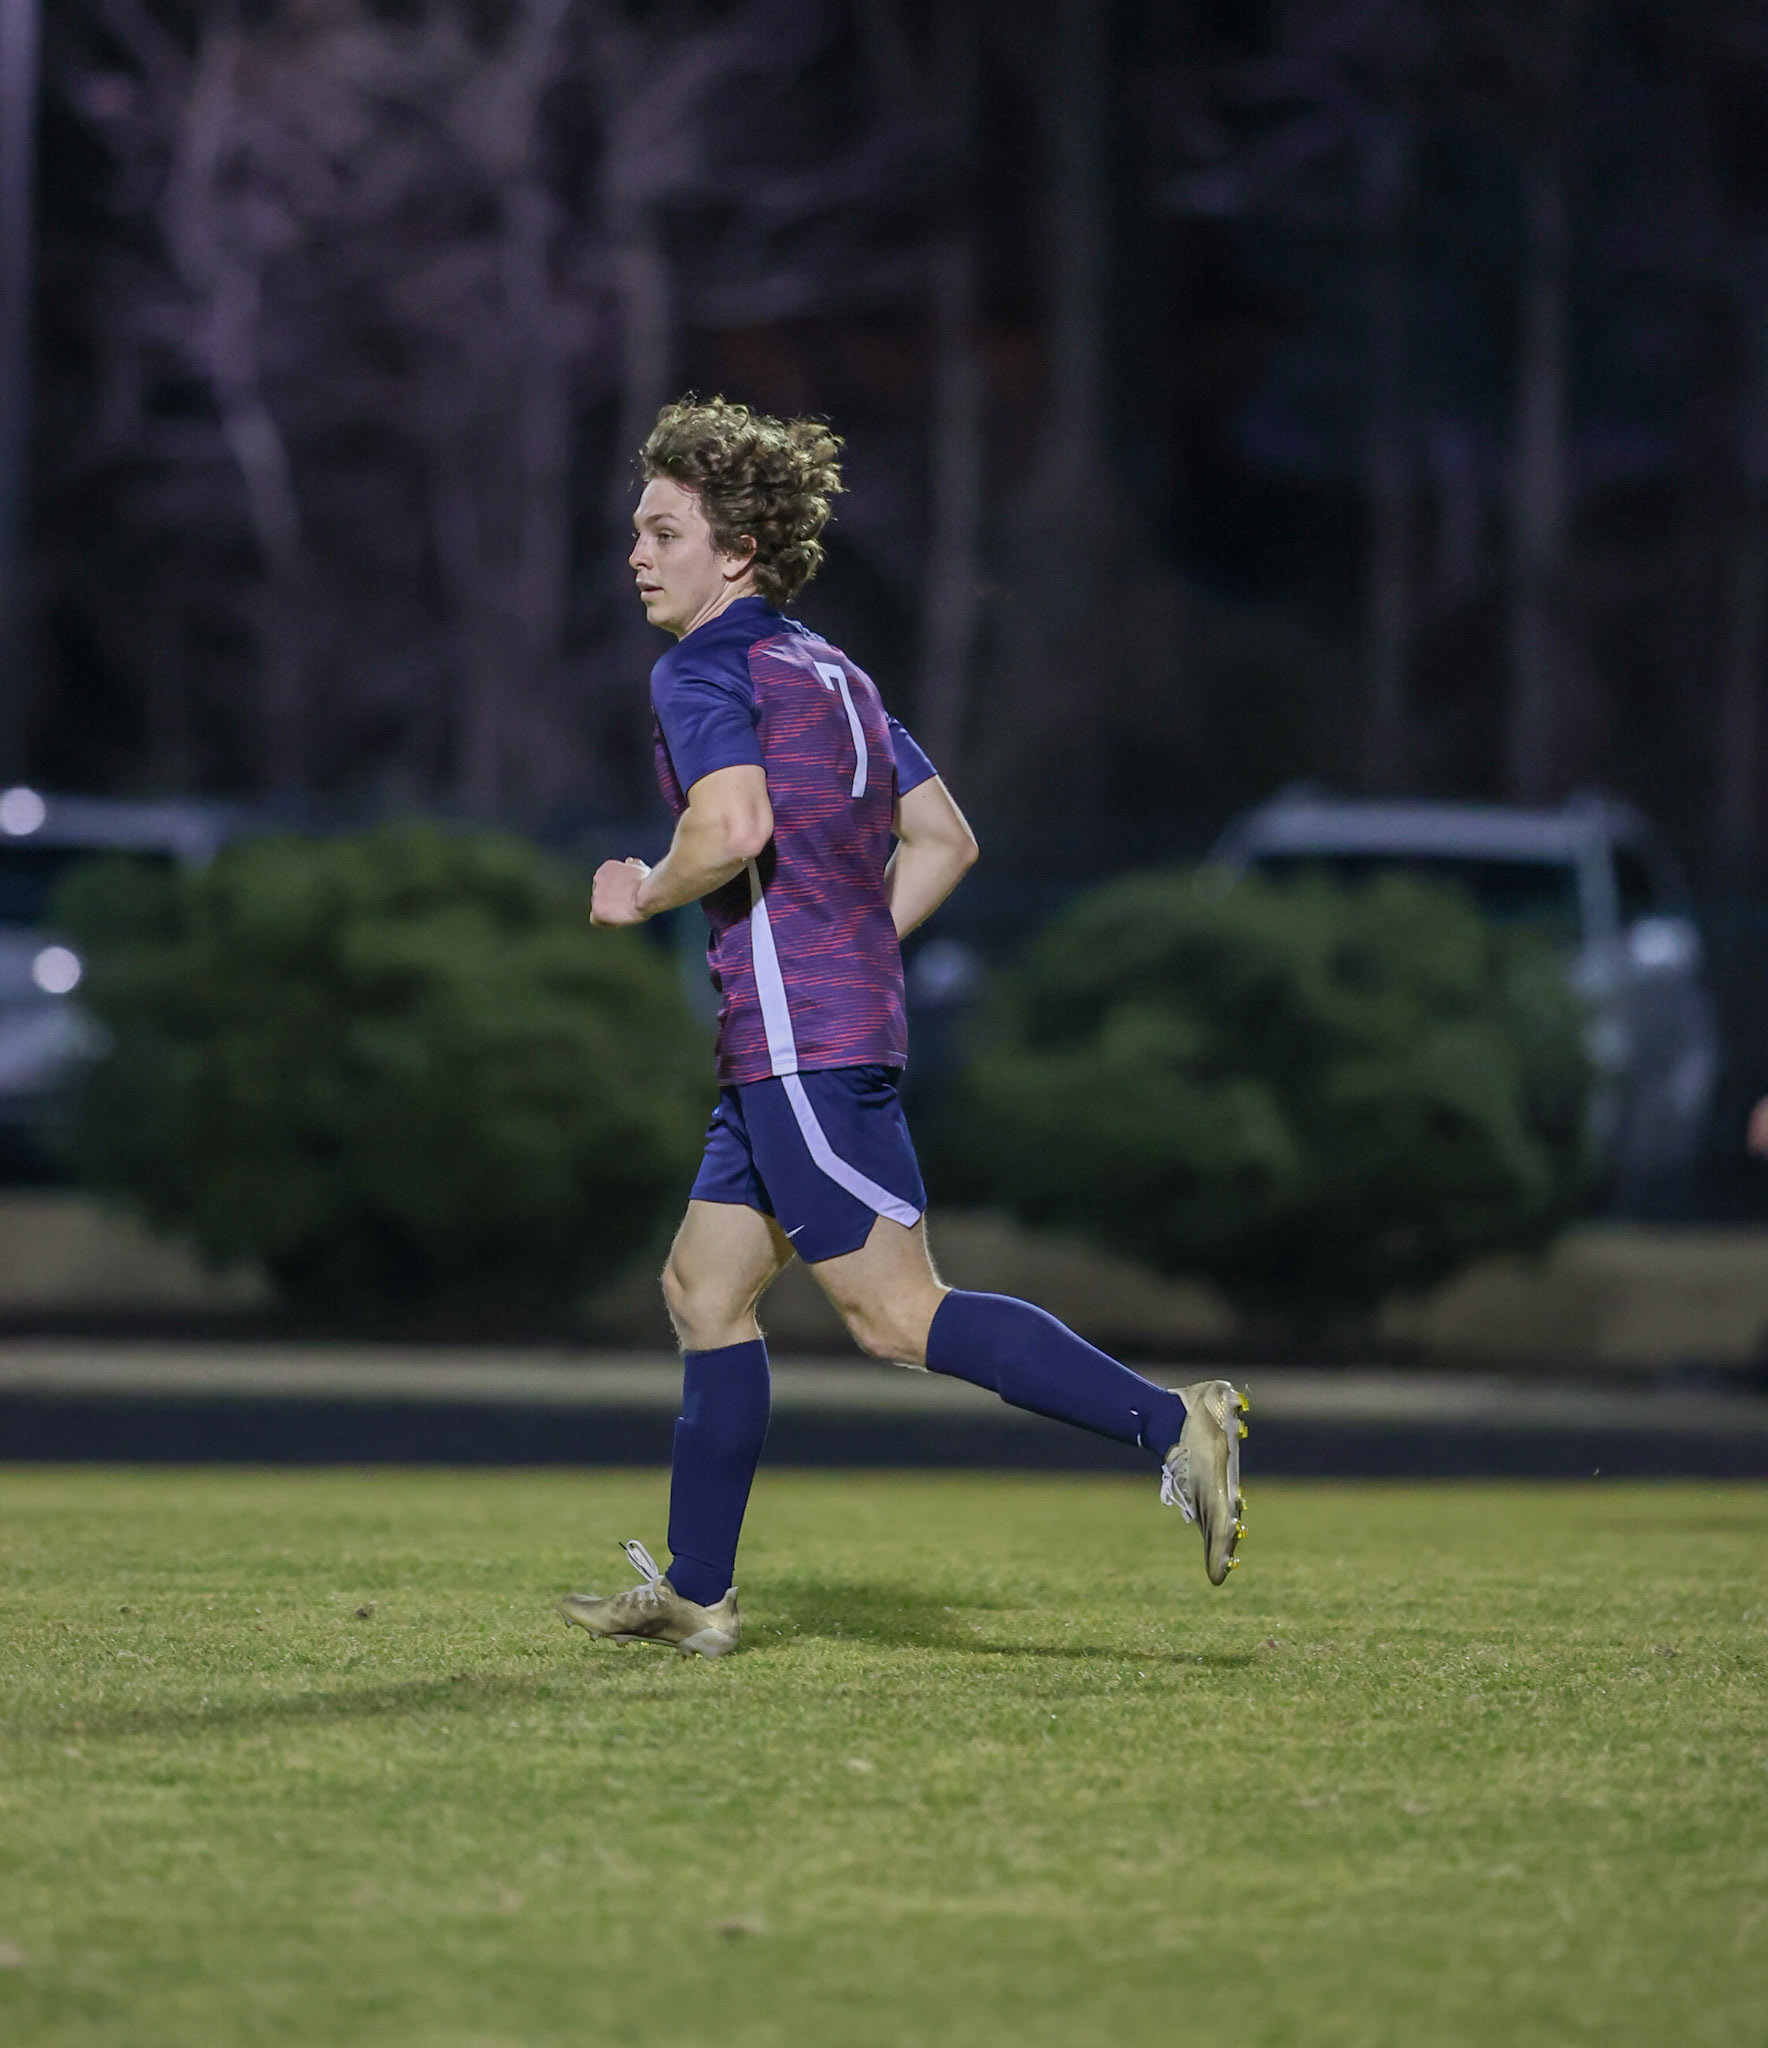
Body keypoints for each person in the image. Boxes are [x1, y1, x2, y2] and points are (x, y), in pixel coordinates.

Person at [558, 397, 1246, 1659]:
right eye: (637, 532)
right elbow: (946, 840)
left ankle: (1174, 1424)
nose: (638, 557)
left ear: (737, 552)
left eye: (664, 531)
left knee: (892, 1315)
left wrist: (641, 889)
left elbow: (731, 829)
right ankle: (696, 1593)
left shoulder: (701, 667)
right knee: (703, 1288)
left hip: (802, 1043)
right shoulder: (832, 669)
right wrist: (852, 951)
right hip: (813, 1027)